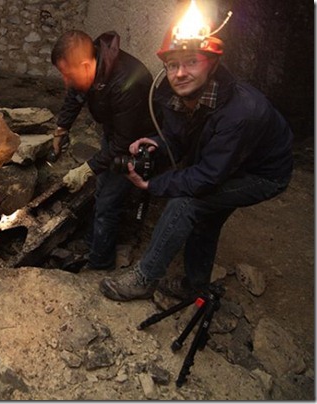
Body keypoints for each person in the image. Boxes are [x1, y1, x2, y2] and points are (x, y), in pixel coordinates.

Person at [99, 25, 294, 301]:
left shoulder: (241, 113)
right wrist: (158, 142)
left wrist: (152, 184)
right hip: (228, 160)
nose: (179, 73)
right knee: (208, 217)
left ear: (212, 63)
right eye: (172, 65)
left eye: (191, 61)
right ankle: (196, 284)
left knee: (188, 202)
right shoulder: (176, 94)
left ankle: (144, 279)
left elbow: (208, 177)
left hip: (262, 174)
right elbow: (180, 137)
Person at [50, 30, 155, 270]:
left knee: (108, 203)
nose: (66, 81)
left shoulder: (126, 83)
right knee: (101, 191)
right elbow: (74, 95)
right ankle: (93, 243)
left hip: (137, 141)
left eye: (67, 75)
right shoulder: (90, 68)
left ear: (86, 65)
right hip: (116, 131)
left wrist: (86, 169)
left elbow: (122, 145)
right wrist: (61, 129)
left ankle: (99, 263)